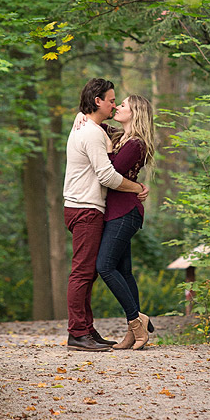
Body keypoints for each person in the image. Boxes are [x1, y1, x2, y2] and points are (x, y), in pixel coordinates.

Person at [63, 78, 148, 352]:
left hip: (90, 207)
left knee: (90, 272)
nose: (114, 104)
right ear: (97, 101)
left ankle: (87, 330)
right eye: (112, 100)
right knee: (83, 273)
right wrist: (138, 187)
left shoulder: (94, 129)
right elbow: (108, 176)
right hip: (85, 207)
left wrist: (83, 117)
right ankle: (78, 333)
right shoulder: (90, 132)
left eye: (118, 102)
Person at [95, 95, 156, 350]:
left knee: (105, 266)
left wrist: (107, 148)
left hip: (125, 212)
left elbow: (112, 172)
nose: (117, 107)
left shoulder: (136, 144)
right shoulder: (120, 136)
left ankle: (136, 320)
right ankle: (134, 332)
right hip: (116, 212)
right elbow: (93, 122)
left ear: (135, 113)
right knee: (124, 272)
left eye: (123, 105)